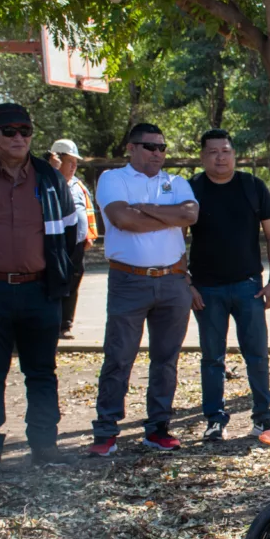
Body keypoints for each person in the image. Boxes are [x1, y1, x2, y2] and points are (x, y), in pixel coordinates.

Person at [87, 122, 198, 456]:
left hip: (173, 281)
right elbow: (123, 220)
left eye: (162, 147)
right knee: (119, 357)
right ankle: (106, 431)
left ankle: (158, 428)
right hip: (128, 281)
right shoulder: (112, 179)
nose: (157, 153)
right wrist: (169, 216)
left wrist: (144, 208)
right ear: (130, 148)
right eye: (149, 147)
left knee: (166, 358)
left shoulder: (176, 181)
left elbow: (190, 215)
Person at [0, 103, 79, 474]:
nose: (18, 138)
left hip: (39, 292)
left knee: (41, 372)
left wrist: (58, 278)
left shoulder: (50, 178)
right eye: (9, 131)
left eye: (24, 130)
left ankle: (44, 446)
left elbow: (72, 232)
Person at [188, 129, 270, 440]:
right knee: (212, 357)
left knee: (257, 354)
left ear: (234, 154)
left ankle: (263, 416)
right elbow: (174, 238)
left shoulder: (252, 186)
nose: (220, 157)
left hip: (249, 287)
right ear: (203, 157)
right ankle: (215, 419)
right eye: (212, 152)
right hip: (206, 290)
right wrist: (186, 283)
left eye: (225, 151)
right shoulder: (192, 190)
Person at [51, 139, 98, 339]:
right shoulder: (46, 182)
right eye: (69, 161)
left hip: (77, 245)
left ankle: (65, 324)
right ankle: (52, 323)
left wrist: (89, 234)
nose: (73, 166)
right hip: (54, 245)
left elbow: (88, 210)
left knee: (73, 282)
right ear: (57, 160)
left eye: (75, 162)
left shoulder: (79, 185)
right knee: (55, 283)